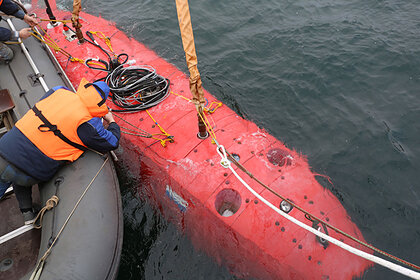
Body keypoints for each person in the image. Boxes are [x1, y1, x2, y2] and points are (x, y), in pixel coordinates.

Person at [0, 78, 121, 224]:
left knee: (14, 167)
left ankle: (28, 214)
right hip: (29, 171)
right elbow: (112, 142)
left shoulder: (59, 90)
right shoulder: (88, 123)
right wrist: (111, 121)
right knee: (19, 171)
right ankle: (27, 214)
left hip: (5, 148)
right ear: (101, 103)